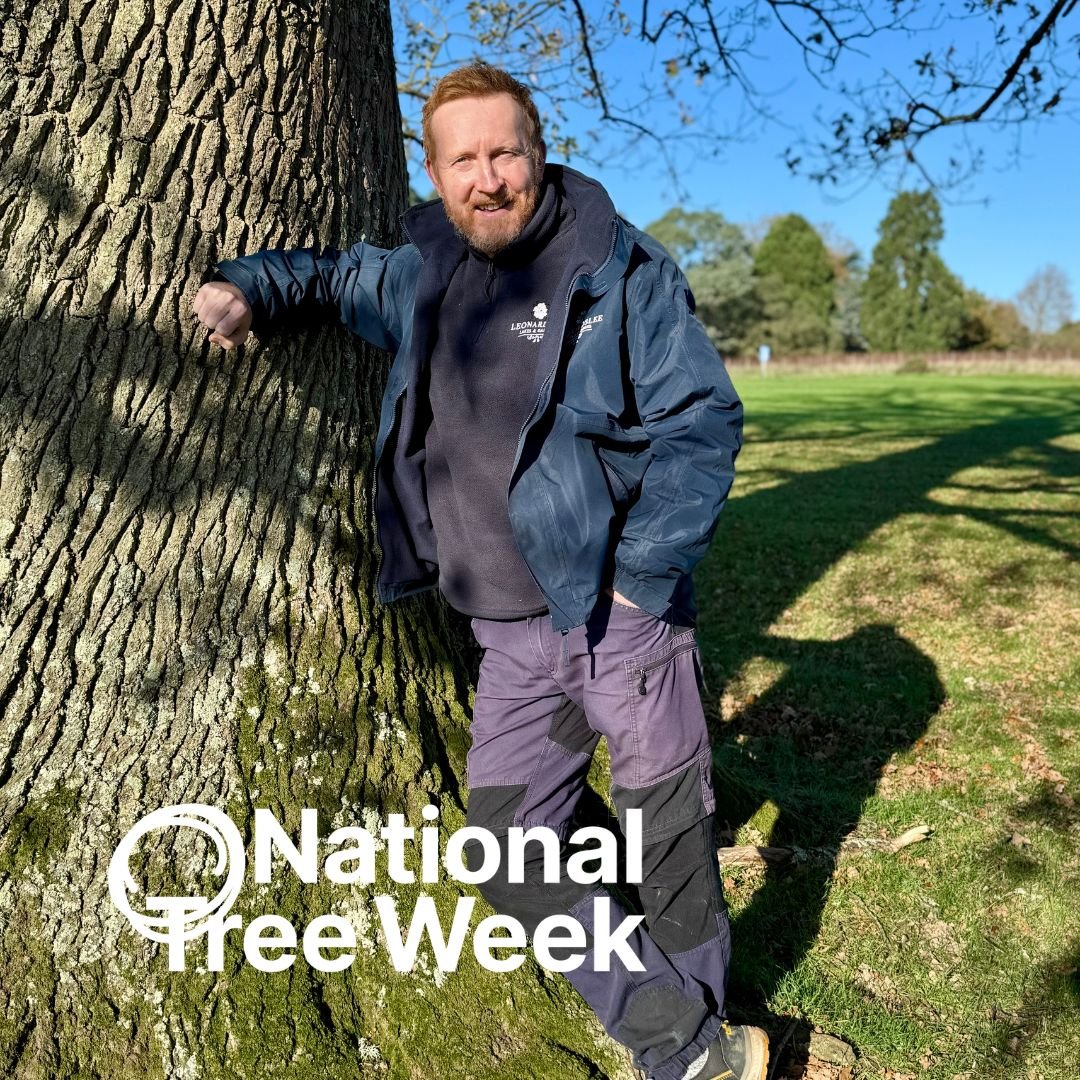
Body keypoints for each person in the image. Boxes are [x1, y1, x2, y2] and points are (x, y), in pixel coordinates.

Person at [193, 63, 763, 1080]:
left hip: (618, 620)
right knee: (504, 853)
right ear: (436, 171)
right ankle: (687, 1039)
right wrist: (248, 285)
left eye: (506, 151)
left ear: (537, 151)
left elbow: (702, 420)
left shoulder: (618, 271)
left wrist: (640, 579)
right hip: (505, 640)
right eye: (465, 159)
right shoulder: (420, 273)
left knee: (666, 840)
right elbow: (326, 274)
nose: (488, 177)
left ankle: (702, 1047)